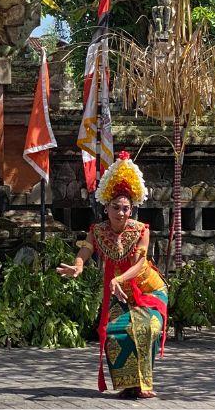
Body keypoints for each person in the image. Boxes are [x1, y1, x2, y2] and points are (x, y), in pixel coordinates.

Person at [57, 151, 167, 399]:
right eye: (116, 207)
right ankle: (129, 384)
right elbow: (86, 250)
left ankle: (143, 384)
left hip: (148, 290)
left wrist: (119, 278)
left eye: (126, 208)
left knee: (146, 328)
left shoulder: (141, 230)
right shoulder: (97, 231)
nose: (121, 213)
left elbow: (139, 264)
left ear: (132, 209)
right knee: (115, 333)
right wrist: (78, 266)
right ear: (106, 208)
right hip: (119, 294)